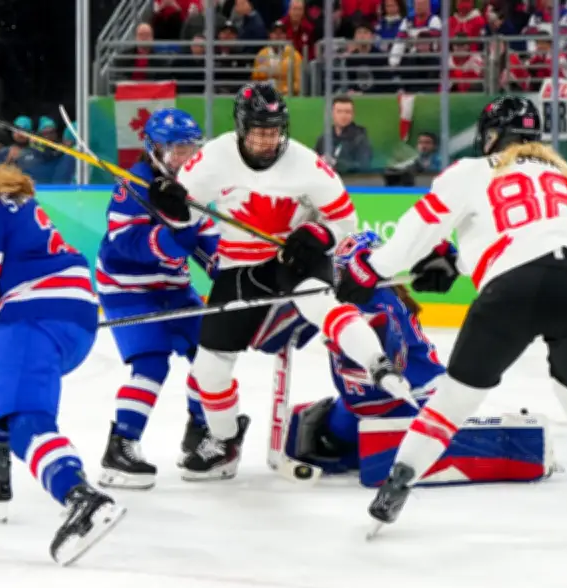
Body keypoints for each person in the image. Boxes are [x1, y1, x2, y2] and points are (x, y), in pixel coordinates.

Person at [334, 96, 567, 536]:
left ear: (490, 136)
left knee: (455, 398)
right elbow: (535, 235)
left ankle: (396, 486)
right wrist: (458, 261)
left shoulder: (472, 171)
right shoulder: (562, 175)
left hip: (515, 289)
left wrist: (366, 271)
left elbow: (413, 238)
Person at [146, 81, 412, 481]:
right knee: (208, 369)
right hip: (239, 266)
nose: (268, 141)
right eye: (259, 132)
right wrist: (172, 208)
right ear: (241, 128)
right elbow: (189, 216)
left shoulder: (307, 165)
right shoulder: (211, 159)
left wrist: (319, 235)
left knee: (318, 301)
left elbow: (345, 222)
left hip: (294, 256)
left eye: (274, 132)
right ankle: (224, 440)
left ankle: (377, 363)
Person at [0, 124, 126, 565]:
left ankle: (80, 497)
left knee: (26, 420)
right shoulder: (3, 195)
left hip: (33, 315)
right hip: (71, 313)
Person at [260, 231, 551, 485]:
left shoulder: (381, 305)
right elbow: (276, 337)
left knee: (392, 445)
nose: (337, 275)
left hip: (415, 397)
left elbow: (387, 361)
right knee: (322, 440)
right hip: (360, 407)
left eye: (342, 269)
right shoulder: (335, 300)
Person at [95, 108, 220, 488]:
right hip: (128, 288)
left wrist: (230, 269)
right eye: (174, 150)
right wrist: (171, 239)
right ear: (153, 149)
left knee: (211, 353)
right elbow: (125, 244)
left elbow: (209, 241)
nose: (182, 158)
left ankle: (200, 432)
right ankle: (121, 447)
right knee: (151, 365)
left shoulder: (196, 185)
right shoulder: (131, 187)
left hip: (173, 286)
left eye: (189, 150)